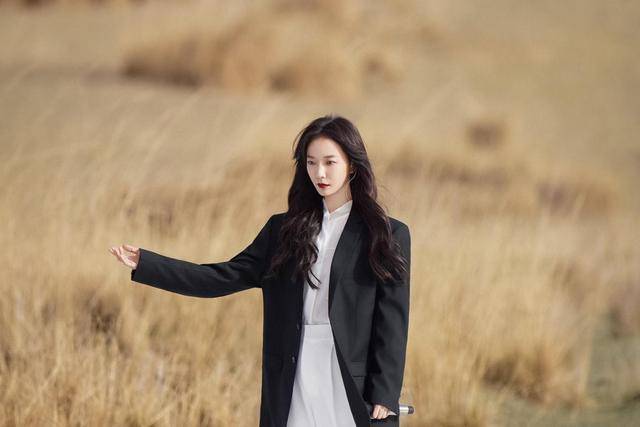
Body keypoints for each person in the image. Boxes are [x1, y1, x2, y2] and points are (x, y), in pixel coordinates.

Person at [110, 114, 411, 426]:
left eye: (330, 162)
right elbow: (219, 277)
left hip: (348, 377)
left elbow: (392, 320)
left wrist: (385, 391)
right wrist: (148, 264)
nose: (319, 173)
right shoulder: (283, 231)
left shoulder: (386, 235)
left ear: (352, 165)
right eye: (311, 163)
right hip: (294, 371)